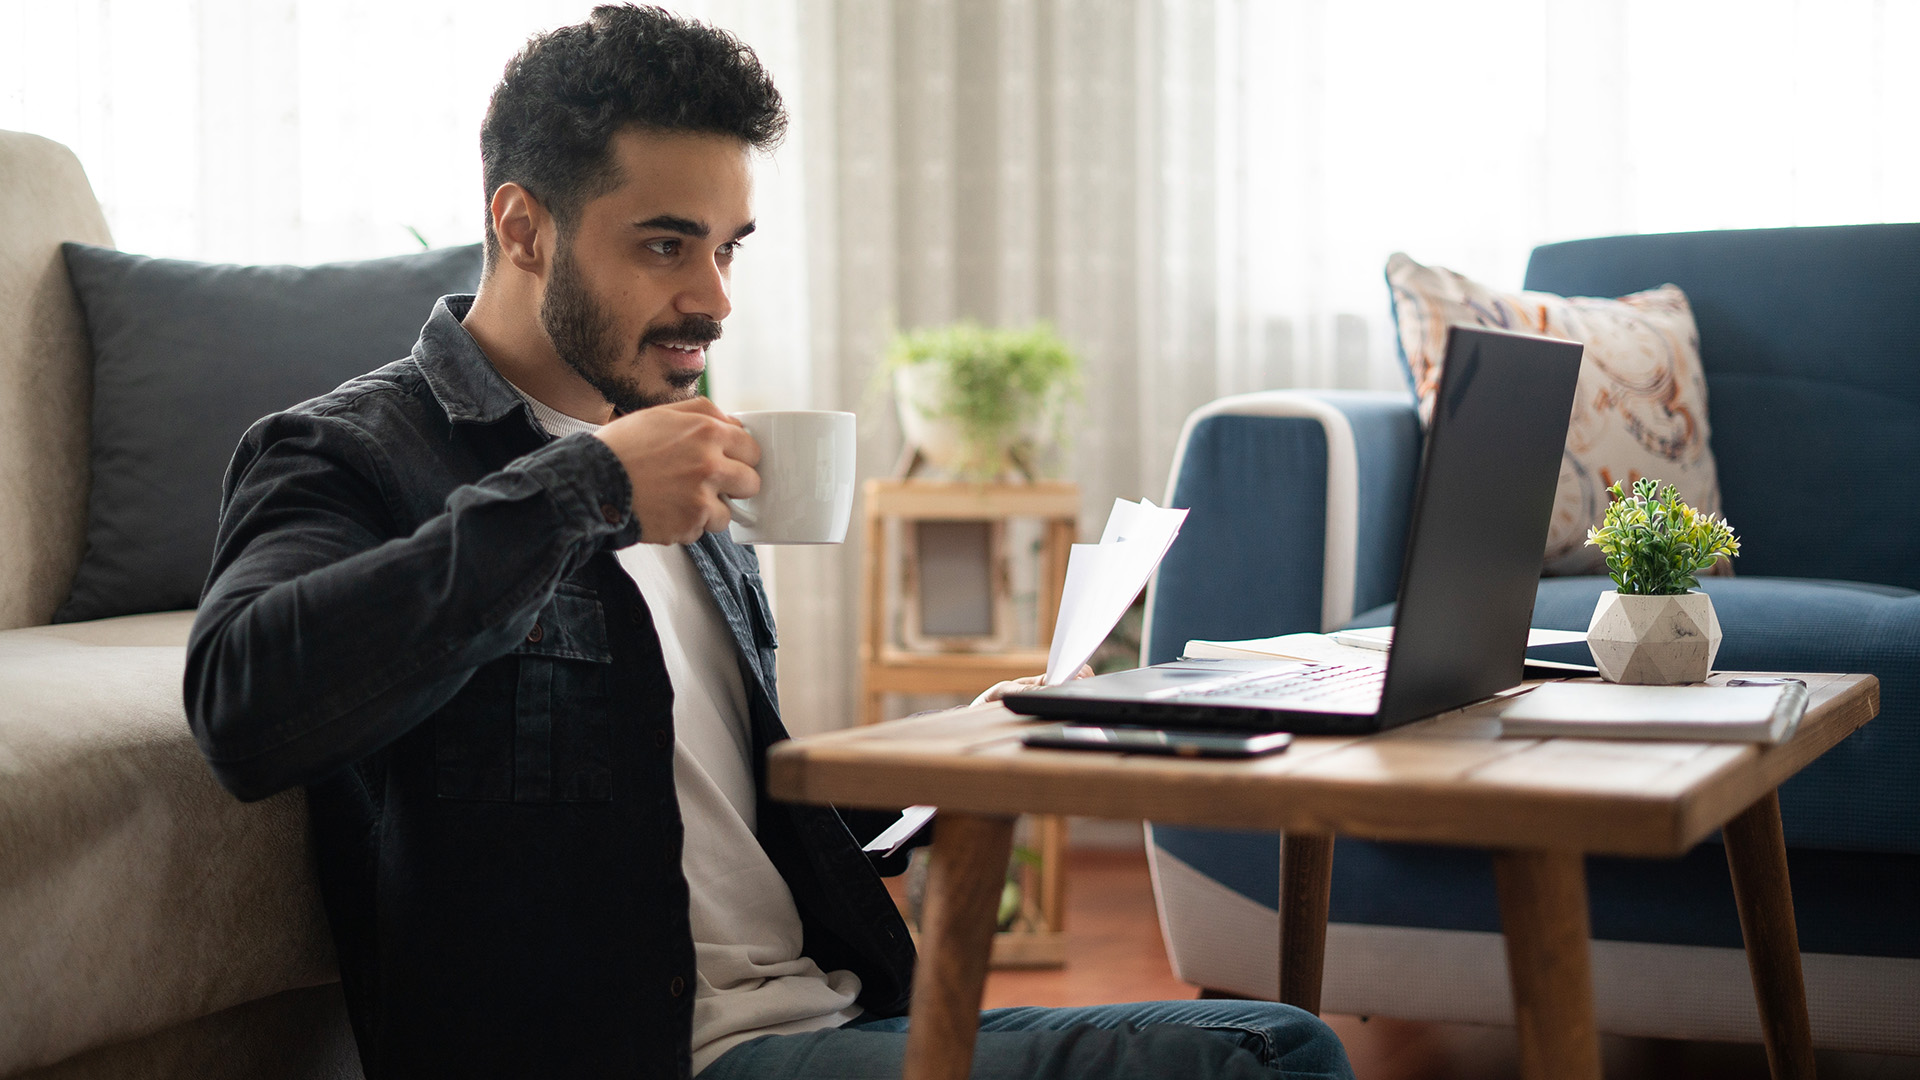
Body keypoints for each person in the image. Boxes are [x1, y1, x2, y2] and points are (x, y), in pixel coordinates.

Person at [183, 6, 1354, 1079]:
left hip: (836, 1015)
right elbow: (243, 703)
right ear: (522, 226)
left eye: (728, 247)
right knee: (1265, 1059)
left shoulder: (684, 460)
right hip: (655, 1054)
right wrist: (583, 489)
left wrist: (945, 768)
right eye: (664, 245)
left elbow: (701, 813)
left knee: (1269, 1038)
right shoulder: (348, 452)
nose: (715, 298)